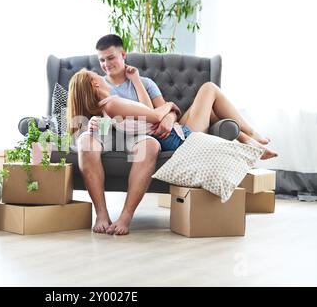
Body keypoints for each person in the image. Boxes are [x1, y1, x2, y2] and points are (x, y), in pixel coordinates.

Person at [71, 34, 277, 236]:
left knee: (211, 106)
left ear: (123, 55)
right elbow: (146, 114)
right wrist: (169, 107)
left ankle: (248, 137)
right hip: (173, 135)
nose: (105, 65)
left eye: (110, 57)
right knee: (209, 91)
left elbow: (160, 113)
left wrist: (166, 113)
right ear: (95, 82)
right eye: (101, 60)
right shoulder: (105, 97)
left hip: (170, 128)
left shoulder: (142, 83)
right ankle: (249, 136)